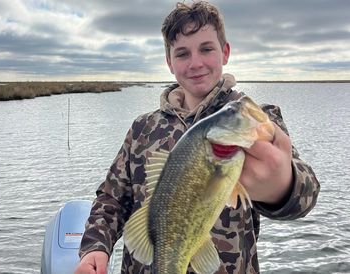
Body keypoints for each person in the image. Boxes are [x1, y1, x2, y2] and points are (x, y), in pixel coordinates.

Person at [75, 1, 320, 273]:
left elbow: (305, 194)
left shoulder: (253, 120)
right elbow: (112, 197)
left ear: (225, 53)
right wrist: (95, 247)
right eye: (182, 54)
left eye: (206, 49)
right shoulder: (142, 128)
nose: (196, 63)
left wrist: (283, 186)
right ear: (169, 62)